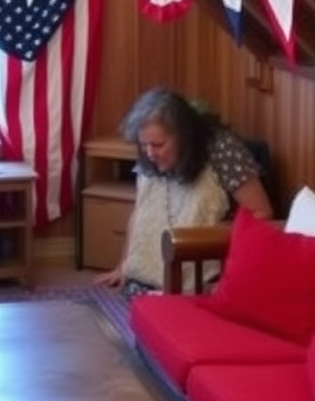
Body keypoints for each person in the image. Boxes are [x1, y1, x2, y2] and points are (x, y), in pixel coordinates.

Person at [94, 87, 273, 295]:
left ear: (183, 136)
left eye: (158, 145)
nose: (150, 153)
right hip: (152, 274)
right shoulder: (148, 153)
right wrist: (122, 266)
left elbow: (263, 213)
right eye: (144, 145)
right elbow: (141, 211)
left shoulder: (221, 147)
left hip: (208, 271)